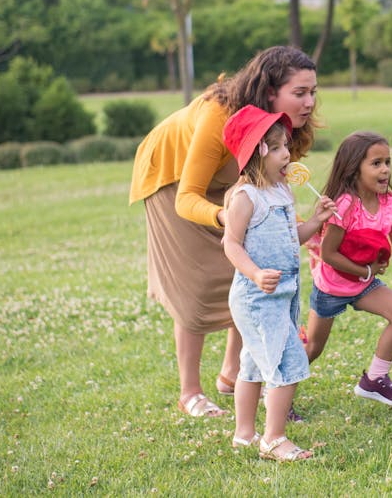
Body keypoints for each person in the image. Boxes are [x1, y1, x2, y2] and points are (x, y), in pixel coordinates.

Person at [129, 46, 319, 418]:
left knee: (251, 268)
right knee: (196, 283)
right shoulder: (220, 117)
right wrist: (228, 218)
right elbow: (188, 198)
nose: (310, 102)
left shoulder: (283, 127)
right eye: (300, 93)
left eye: (313, 92)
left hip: (233, 182)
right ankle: (190, 392)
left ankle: (233, 373)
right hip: (173, 177)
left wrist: (298, 226)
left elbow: (274, 187)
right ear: (269, 92)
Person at [221, 105, 336, 461]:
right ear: (260, 151)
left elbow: (290, 237)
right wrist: (255, 273)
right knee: (287, 362)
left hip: (283, 295)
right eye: (280, 147)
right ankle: (273, 439)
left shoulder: (282, 191)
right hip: (256, 297)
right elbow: (231, 243)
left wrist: (316, 221)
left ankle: (244, 434)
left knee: (253, 364)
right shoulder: (246, 197)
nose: (288, 153)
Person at [303, 131, 392, 407]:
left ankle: (375, 379)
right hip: (332, 285)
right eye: (376, 163)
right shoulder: (345, 205)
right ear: (354, 169)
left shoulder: (389, 202)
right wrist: (367, 272)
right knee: (313, 347)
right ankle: (276, 388)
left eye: (387, 161)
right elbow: (328, 253)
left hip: (363, 282)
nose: (385, 169)